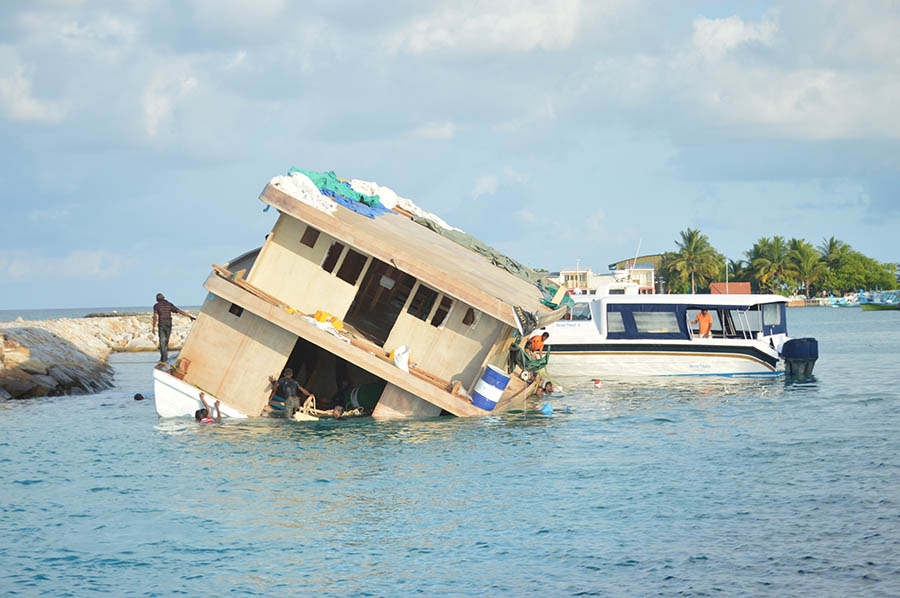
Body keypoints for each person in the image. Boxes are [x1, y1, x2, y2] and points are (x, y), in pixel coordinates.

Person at [152, 293, 196, 364]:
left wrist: (153, 327)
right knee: (166, 341)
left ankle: (163, 359)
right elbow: (179, 311)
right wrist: (189, 316)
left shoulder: (156, 306)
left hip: (162, 324)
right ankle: (164, 358)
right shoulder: (169, 304)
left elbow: (155, 317)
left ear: (157, 299)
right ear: (164, 298)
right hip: (169, 324)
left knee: (162, 341)